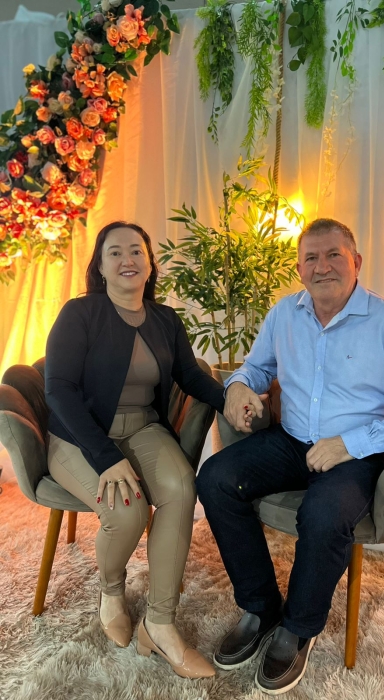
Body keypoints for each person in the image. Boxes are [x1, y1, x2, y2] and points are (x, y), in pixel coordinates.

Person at [196, 218, 384, 695]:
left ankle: (299, 628)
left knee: (322, 515)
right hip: (292, 441)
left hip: (357, 453)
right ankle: (261, 607)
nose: (323, 267)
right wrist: (237, 387)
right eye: (311, 258)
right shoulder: (284, 314)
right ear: (299, 270)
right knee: (215, 478)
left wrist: (351, 444)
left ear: (356, 262)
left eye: (334, 255)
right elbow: (255, 367)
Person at [45, 221, 225, 679]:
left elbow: (190, 375)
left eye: (136, 251)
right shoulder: (80, 313)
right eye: (115, 252)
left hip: (143, 427)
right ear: (100, 266)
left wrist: (232, 399)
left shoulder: (165, 319)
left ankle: (159, 624)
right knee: (127, 511)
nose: (127, 260)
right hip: (79, 436)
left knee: (182, 490)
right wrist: (106, 458)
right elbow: (58, 389)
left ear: (149, 263)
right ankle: (111, 590)